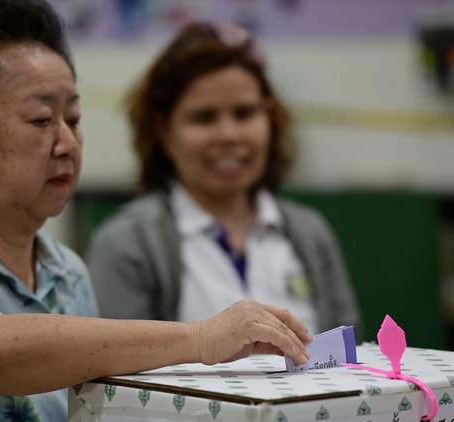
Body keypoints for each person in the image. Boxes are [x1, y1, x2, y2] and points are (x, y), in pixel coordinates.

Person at [0, 1, 313, 422]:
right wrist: (200, 338)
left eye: (73, 118)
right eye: (41, 120)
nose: (68, 143)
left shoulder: (66, 271)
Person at [87, 22, 362, 338]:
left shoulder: (311, 235)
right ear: (164, 131)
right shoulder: (127, 244)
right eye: (204, 117)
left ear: (268, 117)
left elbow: (349, 360)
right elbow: (122, 376)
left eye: (244, 113)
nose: (229, 136)